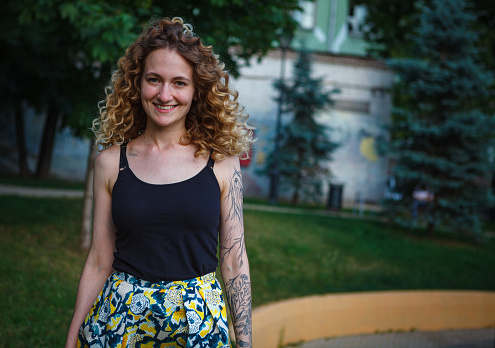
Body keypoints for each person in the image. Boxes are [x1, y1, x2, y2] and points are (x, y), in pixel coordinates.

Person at [65, 17, 254, 348]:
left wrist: (246, 341)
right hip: (120, 319)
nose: (165, 94)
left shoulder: (222, 163)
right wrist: (72, 336)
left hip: (200, 324)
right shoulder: (111, 163)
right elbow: (98, 259)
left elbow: (234, 258)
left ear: (197, 91)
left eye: (179, 83)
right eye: (154, 80)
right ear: (138, 84)